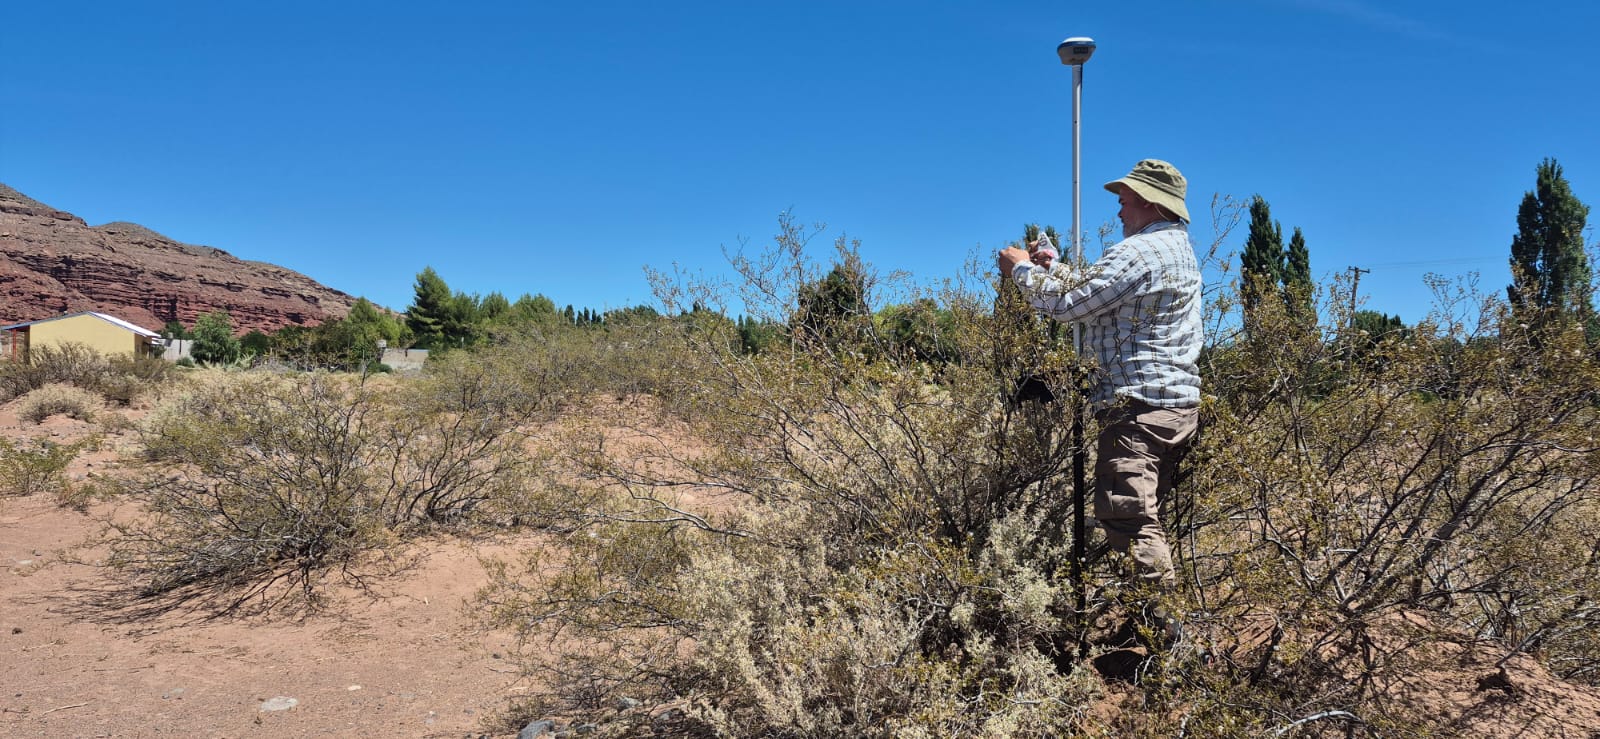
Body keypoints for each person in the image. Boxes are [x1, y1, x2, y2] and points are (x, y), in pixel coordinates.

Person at [995, 159, 1203, 596]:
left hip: (1139, 412)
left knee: (1130, 521)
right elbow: (1102, 295)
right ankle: (1151, 619)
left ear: (1149, 201)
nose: (1120, 212)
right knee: (1147, 515)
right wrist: (1051, 265)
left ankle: (1168, 635)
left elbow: (1070, 304)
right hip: (1172, 409)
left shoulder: (1141, 251)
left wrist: (1020, 269)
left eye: (1125, 201)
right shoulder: (1175, 249)